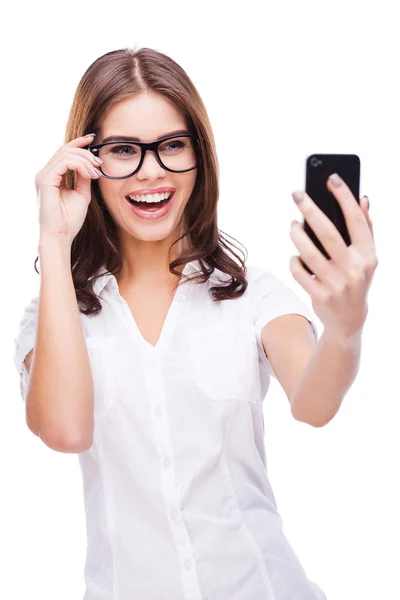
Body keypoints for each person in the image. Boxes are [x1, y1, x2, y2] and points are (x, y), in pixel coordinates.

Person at [13, 46, 378, 600]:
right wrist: (55, 239)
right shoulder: (53, 312)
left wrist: (345, 328)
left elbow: (314, 403)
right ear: (86, 161)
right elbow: (65, 431)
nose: (151, 171)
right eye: (122, 150)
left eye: (172, 146)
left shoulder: (252, 294)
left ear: (199, 155)